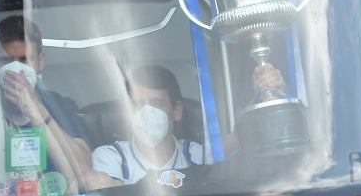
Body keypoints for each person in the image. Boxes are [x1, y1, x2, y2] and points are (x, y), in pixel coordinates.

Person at [86, 63, 286, 188]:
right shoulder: (110, 159)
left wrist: (264, 95)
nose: (146, 114)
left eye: (156, 104)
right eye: (137, 105)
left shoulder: (196, 156)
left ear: (177, 110)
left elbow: (242, 136)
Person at [0, 15, 92, 194]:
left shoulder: (61, 107)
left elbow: (84, 170)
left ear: (40, 62)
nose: (16, 69)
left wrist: (37, 111)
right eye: (6, 60)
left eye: (25, 60)